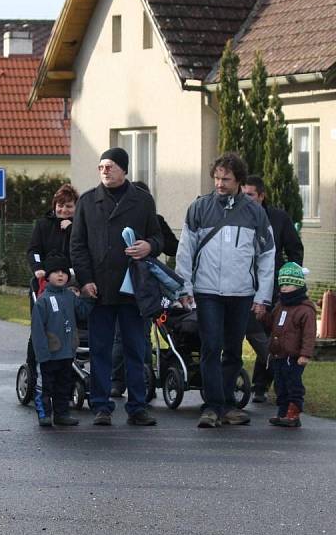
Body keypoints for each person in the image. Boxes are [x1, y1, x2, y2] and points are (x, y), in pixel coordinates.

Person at [175, 154, 275, 428]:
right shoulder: (199, 208)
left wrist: (262, 296)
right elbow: (185, 251)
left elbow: (267, 254)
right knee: (211, 347)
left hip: (241, 293)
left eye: (226, 179)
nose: (219, 183)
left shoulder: (255, 212)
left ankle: (228, 404)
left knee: (233, 350)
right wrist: (184, 287)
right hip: (207, 291)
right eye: (217, 178)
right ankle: (212, 406)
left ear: (239, 181)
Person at [70, 147, 161, 426]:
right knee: (100, 348)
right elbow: (78, 246)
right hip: (99, 289)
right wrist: (85, 280)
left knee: (135, 348)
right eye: (101, 167)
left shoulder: (143, 201)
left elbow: (158, 237)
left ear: (124, 169)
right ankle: (101, 405)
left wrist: (149, 245)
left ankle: (137, 406)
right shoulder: (87, 202)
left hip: (132, 288)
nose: (105, 171)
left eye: (110, 166)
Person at [110, 180, 178, 397]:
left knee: (143, 334)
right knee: (122, 335)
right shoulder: (115, 220)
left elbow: (171, 246)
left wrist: (151, 244)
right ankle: (118, 381)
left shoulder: (155, 221)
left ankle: (143, 381)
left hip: (145, 283)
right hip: (121, 283)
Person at [242, 175, 304, 403]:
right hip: (242, 286)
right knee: (247, 336)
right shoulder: (237, 217)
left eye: (250, 195)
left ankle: (263, 385)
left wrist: (290, 279)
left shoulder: (278, 218)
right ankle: (239, 383)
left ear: (261, 195)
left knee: (271, 336)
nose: (246, 199)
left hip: (273, 288)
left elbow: (295, 249)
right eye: (243, 194)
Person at [30, 255, 92, 428]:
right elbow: (37, 331)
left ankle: (62, 413)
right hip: (49, 355)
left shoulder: (70, 297)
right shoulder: (42, 301)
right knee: (45, 386)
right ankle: (44, 414)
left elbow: (82, 312)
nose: (60, 275)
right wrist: (42, 354)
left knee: (64, 385)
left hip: (66, 353)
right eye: (56, 272)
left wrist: (89, 297)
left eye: (64, 272)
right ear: (48, 276)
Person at [264, 263, 315, 428]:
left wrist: (305, 354)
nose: (284, 288)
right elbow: (272, 324)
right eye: (282, 284)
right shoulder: (280, 305)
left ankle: (294, 412)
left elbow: (309, 334)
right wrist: (262, 316)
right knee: (280, 383)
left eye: (288, 284)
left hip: (294, 356)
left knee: (293, 383)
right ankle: (283, 411)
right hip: (279, 354)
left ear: (298, 284)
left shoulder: (305, 310)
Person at [27, 183, 79, 280]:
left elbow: (87, 246)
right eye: (60, 205)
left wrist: (71, 229)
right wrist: (37, 267)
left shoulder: (82, 226)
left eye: (69, 206)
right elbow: (34, 250)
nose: (64, 210)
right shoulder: (42, 225)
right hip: (47, 277)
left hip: (75, 279)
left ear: (76, 207)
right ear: (54, 206)